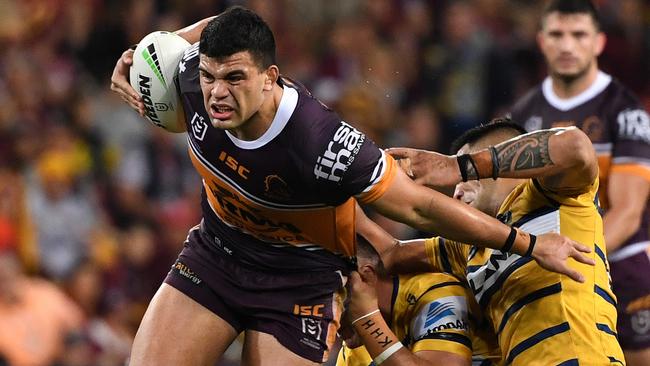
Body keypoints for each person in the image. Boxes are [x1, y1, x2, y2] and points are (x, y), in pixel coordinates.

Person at [109, 7, 591, 365]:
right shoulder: (188, 79)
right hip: (216, 254)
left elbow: (420, 210)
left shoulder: (326, 144)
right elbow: (206, 33)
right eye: (210, 75)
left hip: (298, 281)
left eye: (235, 78)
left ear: (270, 79)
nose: (217, 92)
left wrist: (528, 243)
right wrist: (145, 57)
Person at [387, 120, 625, 365]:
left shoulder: (558, 197)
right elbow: (389, 253)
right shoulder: (470, 248)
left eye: (464, 180)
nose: (456, 192)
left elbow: (576, 146)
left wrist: (459, 166)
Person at [508, 1, 650, 363]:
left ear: (599, 43)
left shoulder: (625, 110)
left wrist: (572, 259)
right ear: (542, 42)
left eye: (579, 35)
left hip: (620, 263)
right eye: (557, 34)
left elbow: (628, 212)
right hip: (551, 264)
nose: (567, 45)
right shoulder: (523, 115)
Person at [336, 233, 501, 366]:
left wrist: (368, 320)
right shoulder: (354, 350)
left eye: (327, 296)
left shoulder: (434, 291)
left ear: (365, 277)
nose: (327, 314)